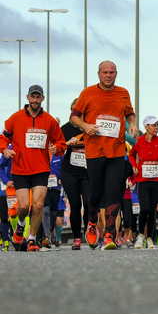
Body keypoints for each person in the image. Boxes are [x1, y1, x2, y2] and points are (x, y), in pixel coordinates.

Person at [70, 60, 136, 250]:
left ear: (116, 74)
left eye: (112, 72)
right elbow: (73, 116)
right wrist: (85, 126)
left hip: (116, 152)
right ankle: (91, 222)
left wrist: (131, 123)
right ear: (99, 74)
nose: (108, 75)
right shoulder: (88, 93)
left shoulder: (123, 93)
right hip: (95, 152)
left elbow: (129, 113)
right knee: (96, 194)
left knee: (114, 191)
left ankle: (109, 235)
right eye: (105, 72)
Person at [0, 84, 66, 251]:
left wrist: (56, 149)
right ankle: (21, 225)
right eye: (33, 96)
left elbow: (61, 143)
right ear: (28, 98)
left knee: (37, 205)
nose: (35, 100)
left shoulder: (50, 121)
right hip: (21, 169)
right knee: (23, 206)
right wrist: (5, 149)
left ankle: (31, 239)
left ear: (43, 99)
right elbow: (3, 136)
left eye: (38, 97)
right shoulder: (15, 118)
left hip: (41, 169)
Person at [129, 116, 158, 249]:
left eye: (157, 125)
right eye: (153, 125)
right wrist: (133, 165)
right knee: (145, 209)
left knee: (152, 210)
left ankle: (149, 238)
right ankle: (141, 235)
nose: (156, 128)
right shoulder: (139, 141)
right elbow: (131, 155)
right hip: (142, 179)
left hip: (157, 180)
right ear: (146, 127)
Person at [59, 99, 91, 249]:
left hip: (87, 172)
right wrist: (67, 144)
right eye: (75, 110)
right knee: (75, 204)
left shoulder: (90, 128)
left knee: (90, 203)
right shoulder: (65, 128)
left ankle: (90, 231)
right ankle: (77, 238)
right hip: (69, 171)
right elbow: (56, 149)